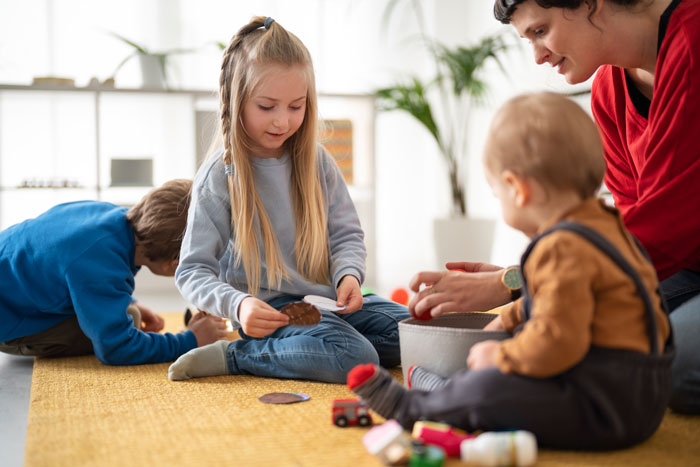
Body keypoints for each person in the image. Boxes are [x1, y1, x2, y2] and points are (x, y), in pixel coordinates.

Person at [348, 92, 674, 450]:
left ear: (517, 189)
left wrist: (498, 357)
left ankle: (414, 406)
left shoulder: (560, 247)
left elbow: (558, 341)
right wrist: (511, 317)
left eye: (496, 192)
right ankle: (446, 391)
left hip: (604, 408)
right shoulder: (605, 225)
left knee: (490, 389)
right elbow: (561, 299)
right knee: (504, 369)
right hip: (645, 399)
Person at [167, 17, 410, 384]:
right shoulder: (221, 175)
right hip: (270, 313)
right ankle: (237, 355)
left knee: (413, 331)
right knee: (356, 356)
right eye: (267, 107)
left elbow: (346, 234)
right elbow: (192, 271)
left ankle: (323, 347)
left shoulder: (318, 162)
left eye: (296, 106)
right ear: (236, 101)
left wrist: (348, 275)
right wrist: (239, 304)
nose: (283, 121)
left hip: (329, 304)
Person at [490, 0, 700, 415]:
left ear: (591, 3)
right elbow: (625, 230)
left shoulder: (693, 43)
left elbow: (670, 226)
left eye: (540, 31)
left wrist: (516, 283)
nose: (537, 55)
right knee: (571, 332)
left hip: (681, 254)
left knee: (669, 370)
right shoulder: (609, 90)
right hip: (686, 269)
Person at [0, 179, 228, 365]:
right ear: (176, 262)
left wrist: (130, 301)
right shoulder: (99, 263)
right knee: (125, 325)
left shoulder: (109, 216)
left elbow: (75, 271)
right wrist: (190, 340)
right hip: (8, 324)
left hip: (12, 286)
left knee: (127, 313)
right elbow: (116, 349)